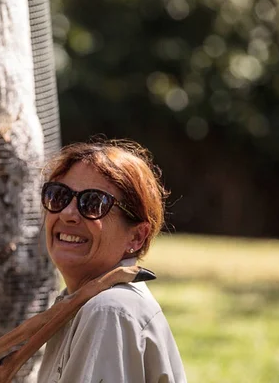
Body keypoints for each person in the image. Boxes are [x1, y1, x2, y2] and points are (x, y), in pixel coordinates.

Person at [36, 138, 187, 383]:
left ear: (137, 237)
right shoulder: (78, 304)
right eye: (59, 196)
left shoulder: (109, 310)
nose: (67, 213)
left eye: (93, 203)